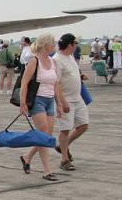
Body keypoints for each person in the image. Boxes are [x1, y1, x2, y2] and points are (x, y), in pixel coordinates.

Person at [18, 33, 62, 181]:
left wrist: (59, 104)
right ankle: (47, 170)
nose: (54, 46)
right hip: (37, 100)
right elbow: (24, 83)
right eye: (53, 44)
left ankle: (27, 157)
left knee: (47, 136)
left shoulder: (51, 61)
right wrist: (23, 103)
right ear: (46, 45)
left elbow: (55, 84)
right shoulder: (34, 61)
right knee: (43, 135)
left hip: (50, 101)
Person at [53, 33, 89, 171]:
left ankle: (63, 146)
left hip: (77, 97)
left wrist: (80, 76)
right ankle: (64, 159)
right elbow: (55, 83)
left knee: (84, 125)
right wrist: (62, 102)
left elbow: (71, 73)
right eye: (75, 44)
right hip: (66, 98)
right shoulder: (57, 60)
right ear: (70, 45)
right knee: (65, 129)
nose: (76, 46)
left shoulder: (70, 56)